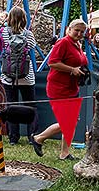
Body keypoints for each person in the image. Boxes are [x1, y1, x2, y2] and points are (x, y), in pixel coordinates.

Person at [31, 19, 88, 160]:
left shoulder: (77, 44)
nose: (79, 33)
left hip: (72, 87)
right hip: (59, 88)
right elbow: (52, 62)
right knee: (67, 122)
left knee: (72, 121)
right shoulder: (63, 42)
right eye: (77, 30)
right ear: (69, 29)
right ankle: (39, 138)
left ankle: (65, 153)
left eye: (82, 32)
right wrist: (72, 69)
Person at [0, 7, 38, 145]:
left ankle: (13, 137)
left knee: (11, 106)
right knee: (30, 106)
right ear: (24, 19)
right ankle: (32, 135)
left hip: (8, 76)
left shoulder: (3, 33)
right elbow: (31, 48)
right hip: (26, 76)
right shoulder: (29, 34)